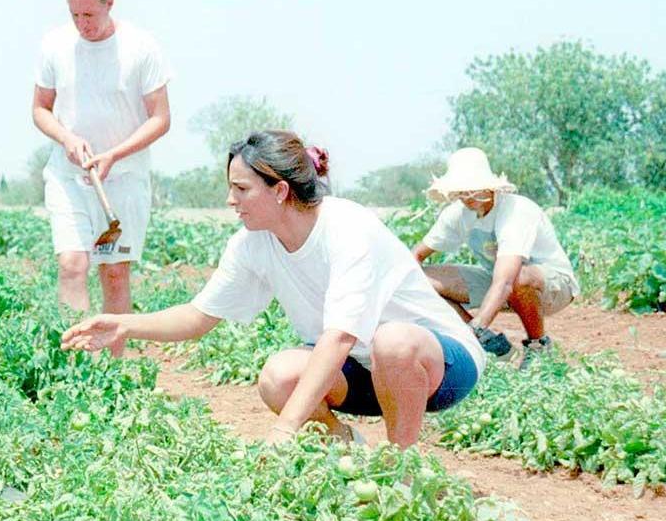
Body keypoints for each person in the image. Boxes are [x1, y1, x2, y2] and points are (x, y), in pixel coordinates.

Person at [62, 131, 486, 448]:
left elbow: (339, 337)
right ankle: (349, 451)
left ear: (280, 190)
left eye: (241, 189)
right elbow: (198, 316)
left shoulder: (347, 228)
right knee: (279, 377)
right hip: (365, 372)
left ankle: (400, 472)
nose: (231, 200)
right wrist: (122, 324)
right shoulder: (252, 244)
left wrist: (284, 430)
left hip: (438, 365)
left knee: (394, 341)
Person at [31, 0, 172, 354]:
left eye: (90, 14)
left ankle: (113, 369)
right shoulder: (55, 45)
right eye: (75, 15)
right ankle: (74, 365)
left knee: (114, 274)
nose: (82, 24)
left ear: (111, 3)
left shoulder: (141, 48)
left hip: (122, 180)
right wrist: (67, 138)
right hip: (69, 176)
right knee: (72, 265)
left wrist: (114, 154)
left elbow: (161, 118)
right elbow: (41, 109)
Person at [412, 147, 578, 370]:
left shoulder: (515, 210)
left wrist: (474, 329)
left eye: (473, 189)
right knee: (420, 279)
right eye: (462, 190)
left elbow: (506, 281)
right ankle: (491, 345)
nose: (467, 196)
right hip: (498, 283)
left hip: (552, 287)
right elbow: (415, 256)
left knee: (519, 276)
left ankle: (538, 347)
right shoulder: (457, 214)